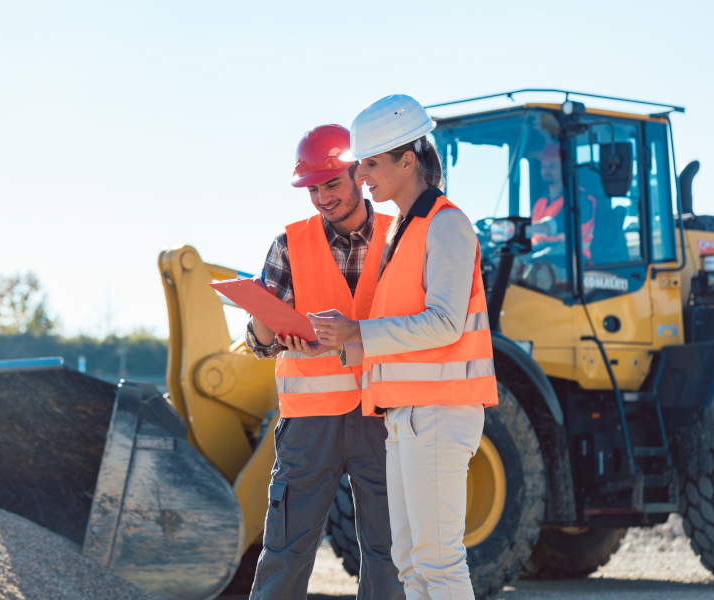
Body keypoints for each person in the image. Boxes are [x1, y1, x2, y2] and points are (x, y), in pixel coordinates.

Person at [306, 95, 498, 600]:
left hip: (438, 412)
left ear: (407, 159)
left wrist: (359, 334)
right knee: (411, 565)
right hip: (405, 416)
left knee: (437, 563)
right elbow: (396, 330)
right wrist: (329, 339)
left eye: (370, 163)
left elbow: (444, 323)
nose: (361, 176)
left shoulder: (447, 224)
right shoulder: (403, 231)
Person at [245, 124, 404, 600]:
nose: (321, 199)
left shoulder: (403, 239)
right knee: (286, 552)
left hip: (385, 414)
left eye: (331, 184)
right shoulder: (288, 244)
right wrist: (269, 326)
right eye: (312, 189)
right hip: (310, 425)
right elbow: (257, 342)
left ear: (360, 174)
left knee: (390, 552)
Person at [531, 143, 597, 261]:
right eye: (544, 166)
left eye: (552, 166)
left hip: (571, 258)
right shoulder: (540, 202)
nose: (547, 170)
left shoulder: (581, 199)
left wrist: (518, 230)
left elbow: (557, 225)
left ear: (565, 168)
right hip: (541, 253)